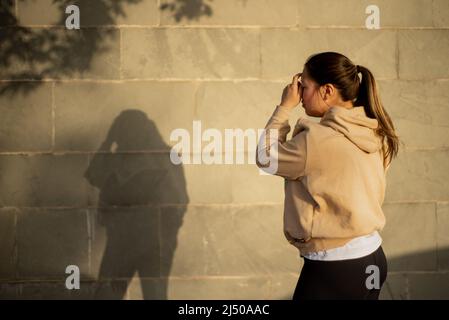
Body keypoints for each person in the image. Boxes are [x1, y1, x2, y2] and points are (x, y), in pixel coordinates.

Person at [256, 52, 401, 300]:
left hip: (335, 266)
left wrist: (284, 107)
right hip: (372, 257)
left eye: (304, 86)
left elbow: (265, 158)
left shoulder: (316, 140)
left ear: (327, 91)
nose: (300, 94)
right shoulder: (375, 129)